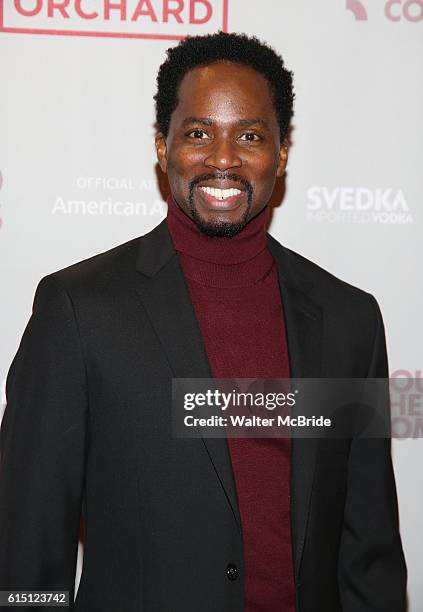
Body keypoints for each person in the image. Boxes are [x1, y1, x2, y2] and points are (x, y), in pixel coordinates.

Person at [0, 32, 406, 612]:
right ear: (163, 149)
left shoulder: (349, 319)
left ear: (281, 153)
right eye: (197, 133)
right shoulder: (78, 309)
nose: (223, 158)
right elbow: (28, 544)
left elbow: (368, 549)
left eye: (248, 134)